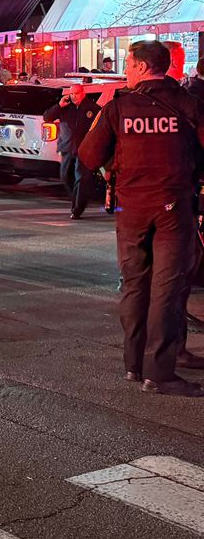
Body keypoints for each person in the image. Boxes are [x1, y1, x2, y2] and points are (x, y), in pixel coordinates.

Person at [78, 39, 204, 397]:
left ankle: (134, 364)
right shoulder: (188, 104)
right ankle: (159, 372)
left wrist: (115, 169)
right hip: (173, 206)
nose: (126, 71)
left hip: (131, 208)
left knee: (134, 285)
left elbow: (88, 156)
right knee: (167, 288)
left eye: (129, 65)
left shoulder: (118, 108)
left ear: (144, 67)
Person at [43, 83, 101, 219]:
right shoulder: (65, 107)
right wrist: (59, 106)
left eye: (76, 93)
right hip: (67, 148)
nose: (74, 96)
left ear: (83, 94)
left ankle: (77, 209)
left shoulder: (92, 108)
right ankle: (77, 198)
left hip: (84, 149)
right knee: (65, 176)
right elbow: (47, 117)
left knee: (81, 178)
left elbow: (100, 127)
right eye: (71, 93)